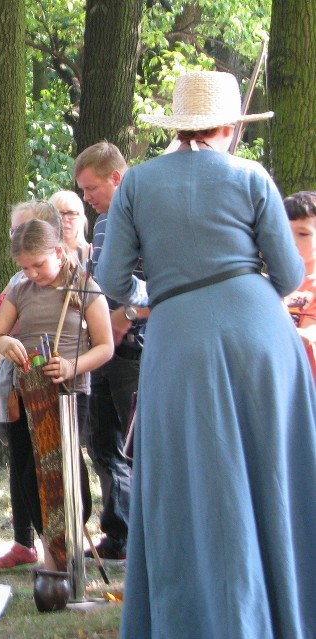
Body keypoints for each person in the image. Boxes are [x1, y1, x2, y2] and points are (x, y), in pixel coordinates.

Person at [96, 70, 316, 638]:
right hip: (262, 337)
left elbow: (113, 280)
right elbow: (291, 274)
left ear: (181, 124)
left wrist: (165, 276)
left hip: (180, 339)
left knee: (191, 478)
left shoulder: (138, 185)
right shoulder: (251, 176)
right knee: (272, 471)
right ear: (228, 126)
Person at [0, 218, 113, 569]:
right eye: (25, 267)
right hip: (28, 396)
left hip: (69, 394)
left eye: (38, 264)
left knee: (66, 474)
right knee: (28, 475)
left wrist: (71, 365)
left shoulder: (83, 287)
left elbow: (106, 346)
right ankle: (50, 550)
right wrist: (2, 339)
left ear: (57, 251)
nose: (32, 273)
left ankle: (67, 547)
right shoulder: (21, 290)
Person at [74, 141, 146, 561]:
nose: (87, 197)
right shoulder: (101, 224)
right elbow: (97, 280)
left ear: (116, 178)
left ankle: (147, 537)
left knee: (140, 447)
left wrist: (126, 316)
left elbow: (163, 283)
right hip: (100, 349)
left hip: (137, 349)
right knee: (102, 444)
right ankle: (118, 535)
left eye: (91, 188)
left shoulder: (147, 216)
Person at [0, 200, 62, 570]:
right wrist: (0, 338)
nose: (18, 238)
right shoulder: (22, 281)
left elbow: (102, 341)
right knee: (24, 465)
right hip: (21, 385)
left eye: (24, 230)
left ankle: (60, 549)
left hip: (62, 393)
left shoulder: (71, 277)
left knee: (58, 473)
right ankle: (28, 542)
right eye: (14, 232)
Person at [283, 191, 316, 378]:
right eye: (286, 233)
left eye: (303, 234)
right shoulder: (273, 283)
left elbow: (309, 335)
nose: (292, 242)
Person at [48, 190, 90, 265]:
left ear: (81, 219)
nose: (65, 219)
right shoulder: (42, 255)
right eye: (59, 213)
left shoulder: (93, 255)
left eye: (71, 213)